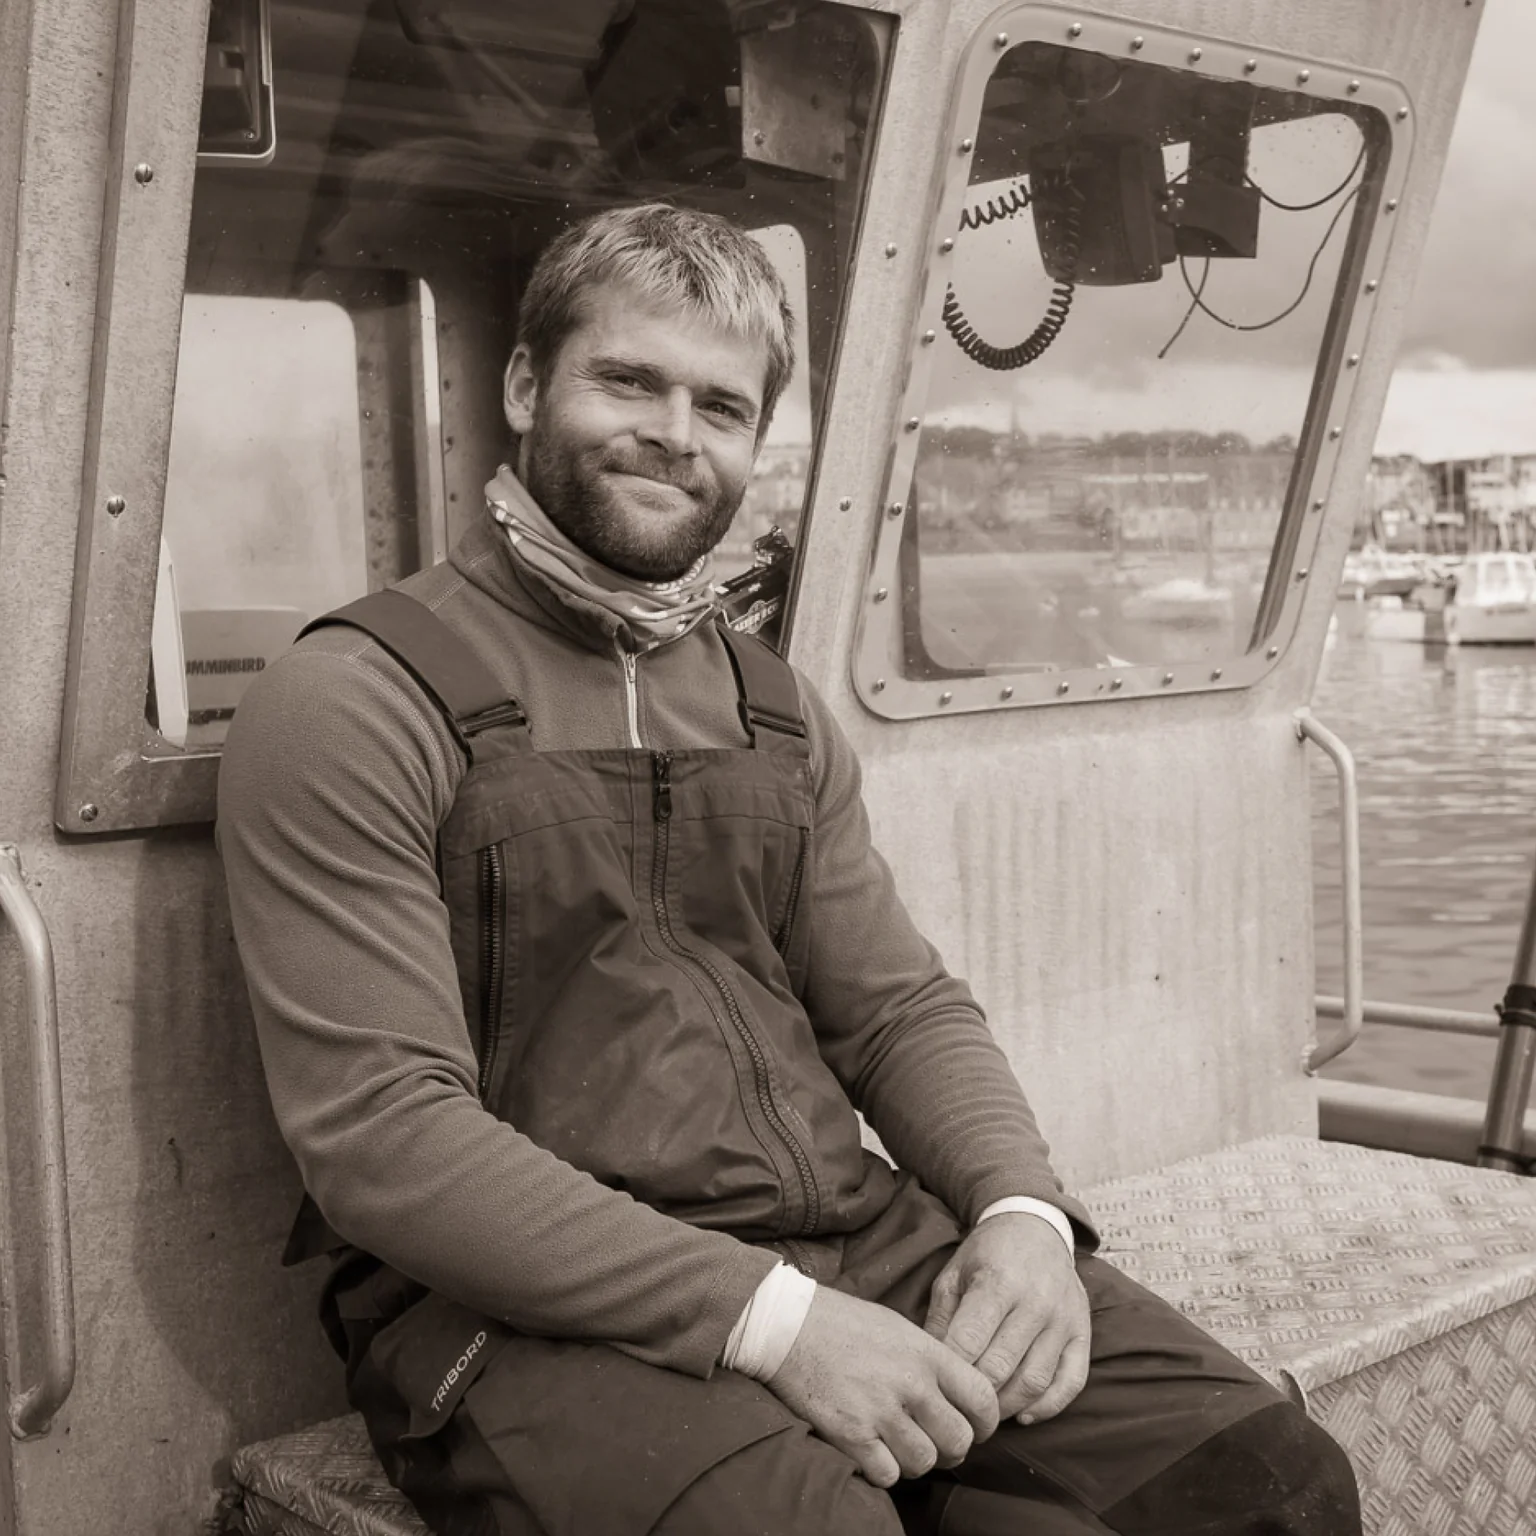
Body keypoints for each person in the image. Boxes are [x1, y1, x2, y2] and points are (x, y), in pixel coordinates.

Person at [218, 202, 1362, 1536]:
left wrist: (1023, 1216)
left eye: (721, 406)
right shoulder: (354, 697)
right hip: (511, 1311)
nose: (673, 433)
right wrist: (771, 1323)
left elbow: (897, 1008)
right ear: (529, 386)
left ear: (755, 445)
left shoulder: (774, 711)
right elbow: (384, 1137)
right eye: (628, 380)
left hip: (844, 1234)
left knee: (1268, 1484)